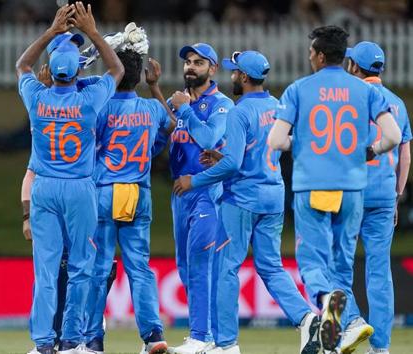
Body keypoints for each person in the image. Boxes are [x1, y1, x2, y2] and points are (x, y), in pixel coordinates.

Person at [173, 50, 321, 354]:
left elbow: (231, 167)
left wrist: (194, 180)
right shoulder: (276, 105)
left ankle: (226, 345)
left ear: (242, 76)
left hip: (241, 198)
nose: (232, 76)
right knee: (271, 267)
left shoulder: (240, 111)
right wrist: (224, 157)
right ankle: (306, 318)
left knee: (226, 269)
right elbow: (265, 151)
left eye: (234, 72)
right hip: (274, 196)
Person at [268, 25, 401, 352]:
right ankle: (335, 333)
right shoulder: (366, 92)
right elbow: (394, 137)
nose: (309, 55)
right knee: (342, 264)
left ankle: (346, 319)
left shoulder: (299, 89)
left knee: (312, 263)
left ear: (321, 55)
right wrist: (372, 150)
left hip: (313, 187)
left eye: (312, 50)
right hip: (353, 189)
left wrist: (301, 142)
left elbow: (275, 141)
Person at [15, 2, 124, 353]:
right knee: (80, 267)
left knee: (45, 271)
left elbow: (22, 65)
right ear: (77, 71)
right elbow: (117, 69)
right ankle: (72, 340)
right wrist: (93, 32)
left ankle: (44, 343)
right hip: (80, 188)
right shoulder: (90, 99)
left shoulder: (36, 97)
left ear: (52, 71)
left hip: (44, 187)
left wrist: (51, 31)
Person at [83, 24, 175, 354]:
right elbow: (171, 128)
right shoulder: (151, 110)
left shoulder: (101, 107)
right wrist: (157, 88)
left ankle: (93, 339)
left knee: (99, 269)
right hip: (138, 192)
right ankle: (153, 336)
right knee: (140, 268)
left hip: (105, 190)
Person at [338, 41, 412, 354]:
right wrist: (398, 196)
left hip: (350, 192)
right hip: (384, 196)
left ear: (354, 66)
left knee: (335, 263)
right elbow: (405, 155)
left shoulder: (348, 100)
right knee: (379, 272)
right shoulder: (397, 103)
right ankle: (381, 347)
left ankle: (352, 322)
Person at [166, 42, 234, 354]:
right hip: (180, 196)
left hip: (207, 193)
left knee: (200, 264)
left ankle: (201, 336)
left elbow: (208, 138)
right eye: (188, 62)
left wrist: (184, 110)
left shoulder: (222, 105)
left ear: (212, 69)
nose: (191, 67)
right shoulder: (178, 102)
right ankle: (209, 337)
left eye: (198, 62)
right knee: (184, 266)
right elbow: (162, 139)